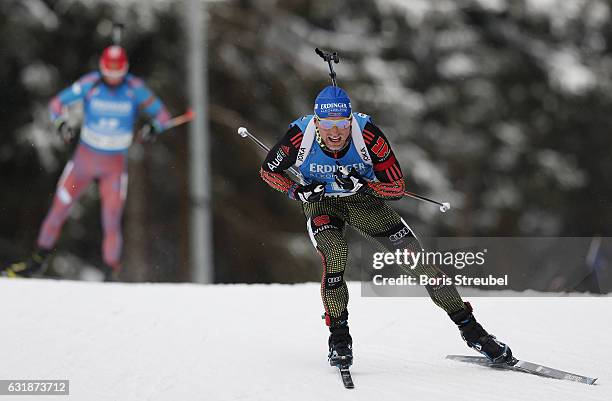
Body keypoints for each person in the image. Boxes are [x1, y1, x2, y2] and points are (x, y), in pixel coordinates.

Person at [260, 85, 512, 368]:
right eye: (328, 124)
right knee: (336, 254)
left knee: (420, 266)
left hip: (365, 204)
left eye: (342, 124)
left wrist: (364, 184)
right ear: (316, 121)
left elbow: (396, 187)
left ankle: (473, 331)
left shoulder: (367, 134)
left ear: (350, 120)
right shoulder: (299, 135)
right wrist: (298, 192)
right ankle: (339, 338)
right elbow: (269, 172)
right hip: (322, 205)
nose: (335, 133)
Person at [2, 45, 171, 281]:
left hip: (113, 170)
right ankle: (37, 261)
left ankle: (110, 272)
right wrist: (61, 122)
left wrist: (154, 127)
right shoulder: (91, 84)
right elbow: (56, 104)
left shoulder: (134, 89)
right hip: (83, 168)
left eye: (118, 71)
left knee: (111, 218)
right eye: (109, 71)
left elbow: (163, 115)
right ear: (102, 67)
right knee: (61, 206)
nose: (113, 77)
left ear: (125, 69)